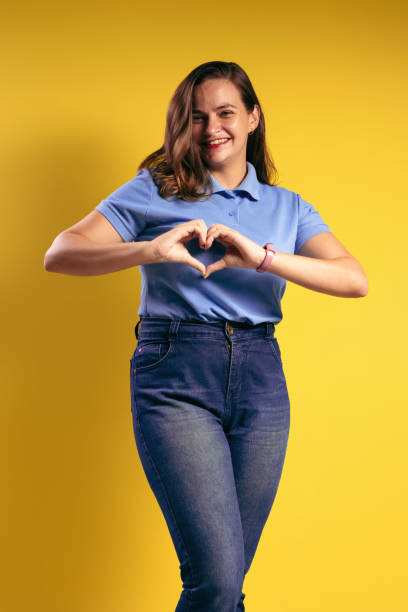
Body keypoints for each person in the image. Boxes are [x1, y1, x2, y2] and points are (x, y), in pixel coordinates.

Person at [44, 60, 368, 611]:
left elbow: (354, 280)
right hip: (175, 372)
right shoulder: (154, 190)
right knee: (215, 580)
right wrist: (151, 248)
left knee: (227, 583)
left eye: (225, 113)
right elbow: (61, 254)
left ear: (252, 118)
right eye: (196, 117)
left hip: (261, 378)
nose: (211, 127)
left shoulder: (286, 207)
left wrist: (263, 259)